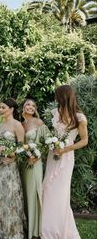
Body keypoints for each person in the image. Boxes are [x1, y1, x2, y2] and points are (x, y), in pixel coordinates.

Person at [42, 85, 88, 239]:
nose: (55, 99)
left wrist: (66, 149)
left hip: (66, 158)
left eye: (57, 96)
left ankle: (60, 228)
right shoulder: (55, 113)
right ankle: (46, 227)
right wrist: (51, 143)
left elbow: (84, 141)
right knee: (48, 189)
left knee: (61, 192)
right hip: (53, 156)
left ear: (64, 96)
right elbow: (54, 134)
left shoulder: (79, 117)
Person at [0, 98, 26, 239]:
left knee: (10, 196)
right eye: (0, 108)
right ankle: (2, 227)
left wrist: (12, 156)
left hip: (10, 168)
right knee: (0, 196)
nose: (0, 110)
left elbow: (22, 147)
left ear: (11, 109)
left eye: (3, 108)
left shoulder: (17, 125)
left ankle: (13, 230)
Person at [21, 99, 49, 239]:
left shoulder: (38, 122)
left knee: (33, 192)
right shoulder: (20, 124)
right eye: (28, 104)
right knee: (25, 194)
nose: (30, 107)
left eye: (33, 105)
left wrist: (37, 156)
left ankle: (36, 230)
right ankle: (27, 227)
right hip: (23, 164)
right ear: (23, 107)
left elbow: (48, 142)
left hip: (35, 163)